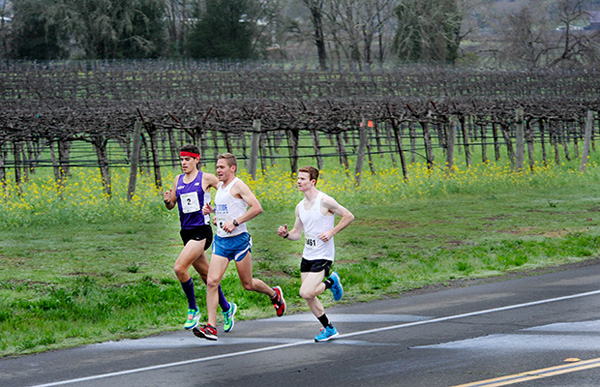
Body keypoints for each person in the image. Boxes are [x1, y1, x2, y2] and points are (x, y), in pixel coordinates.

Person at [193, 152, 286, 341]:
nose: (218, 170)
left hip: (239, 241)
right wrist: (211, 210)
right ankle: (211, 327)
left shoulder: (239, 185)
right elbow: (226, 208)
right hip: (221, 241)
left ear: (232, 168)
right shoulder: (221, 188)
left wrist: (235, 222)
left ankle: (273, 293)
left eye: (222, 167)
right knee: (211, 282)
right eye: (217, 167)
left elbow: (257, 208)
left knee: (247, 284)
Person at [163, 145, 237, 333]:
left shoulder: (206, 178)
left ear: (196, 160)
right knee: (207, 277)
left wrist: (218, 211)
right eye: (181, 159)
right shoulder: (178, 179)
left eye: (188, 159)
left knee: (179, 268)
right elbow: (172, 204)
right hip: (186, 233)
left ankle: (193, 309)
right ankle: (228, 309)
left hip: (201, 231)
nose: (184, 163)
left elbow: (226, 192)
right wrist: (167, 200)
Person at [277, 166, 354, 342]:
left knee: (305, 292)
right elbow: (297, 233)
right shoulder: (300, 207)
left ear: (313, 182)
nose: (298, 181)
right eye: (298, 178)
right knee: (309, 297)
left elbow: (348, 216)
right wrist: (286, 234)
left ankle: (331, 281)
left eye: (303, 179)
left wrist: (332, 232)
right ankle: (329, 328)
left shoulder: (325, 201)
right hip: (308, 255)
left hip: (323, 255)